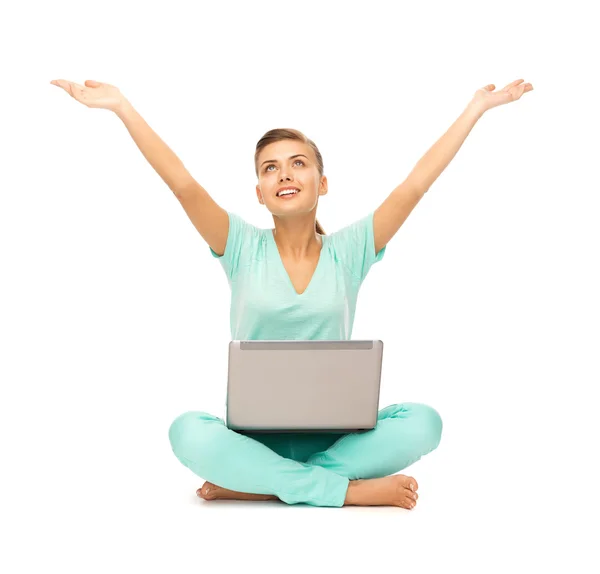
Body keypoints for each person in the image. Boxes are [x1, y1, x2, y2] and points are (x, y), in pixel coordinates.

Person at [50, 77, 532, 509]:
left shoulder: (350, 250)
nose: (284, 174)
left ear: (321, 183)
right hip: (253, 441)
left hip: (339, 440)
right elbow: (182, 183)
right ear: (259, 191)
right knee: (186, 431)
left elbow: (415, 185)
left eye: (298, 164)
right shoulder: (238, 245)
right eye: (270, 168)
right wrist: (122, 107)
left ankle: (263, 488)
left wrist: (474, 109)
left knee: (425, 422)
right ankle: (338, 489)